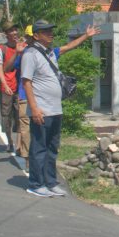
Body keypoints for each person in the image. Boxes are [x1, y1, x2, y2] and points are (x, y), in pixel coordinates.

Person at [20, 19, 99, 197]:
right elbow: (26, 82)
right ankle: (35, 184)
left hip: (55, 110)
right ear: (36, 35)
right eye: (46, 31)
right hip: (42, 110)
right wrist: (34, 108)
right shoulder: (30, 54)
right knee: (39, 148)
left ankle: (50, 182)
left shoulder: (49, 53)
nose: (51, 34)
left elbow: (68, 47)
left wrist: (86, 36)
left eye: (51, 31)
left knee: (52, 148)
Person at [0, 23, 23, 158]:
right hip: (7, 86)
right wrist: (5, 85)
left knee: (21, 115)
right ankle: (10, 141)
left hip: (20, 86)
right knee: (6, 116)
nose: (15, 33)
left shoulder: (23, 47)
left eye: (15, 30)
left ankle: (19, 145)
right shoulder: (1, 49)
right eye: (11, 31)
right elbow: (0, 70)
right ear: (6, 34)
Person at [10, 25, 33, 172]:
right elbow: (10, 67)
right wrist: (17, 53)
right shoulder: (23, 53)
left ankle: (35, 157)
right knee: (26, 129)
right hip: (25, 95)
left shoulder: (47, 52)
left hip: (41, 97)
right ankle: (28, 158)